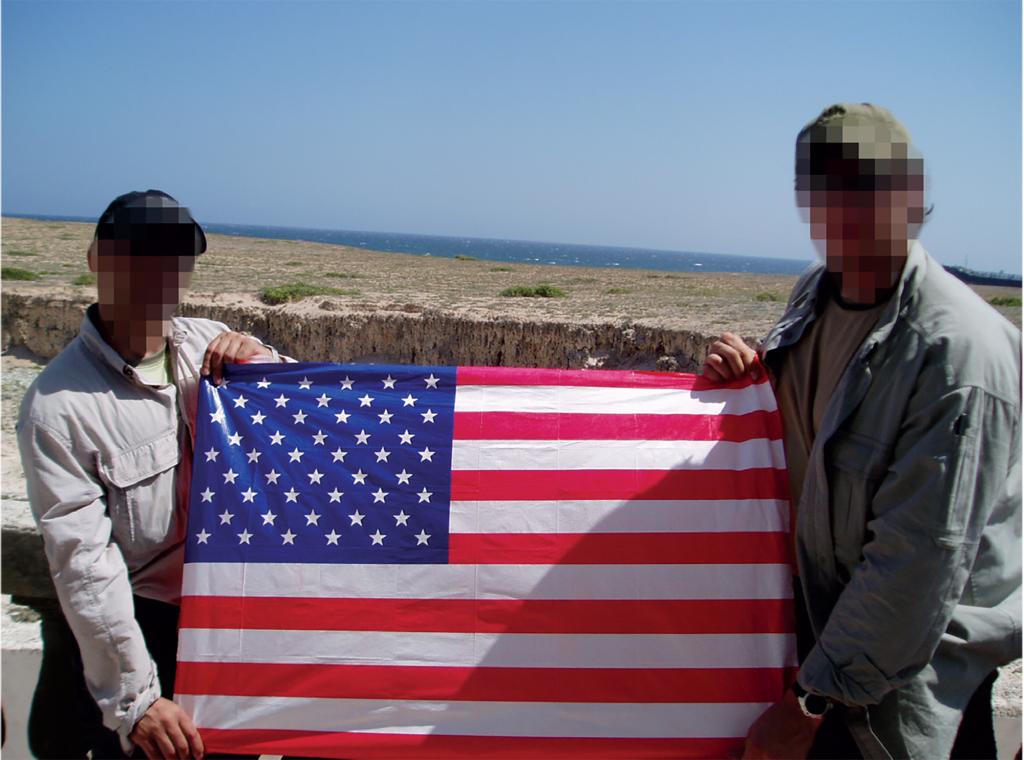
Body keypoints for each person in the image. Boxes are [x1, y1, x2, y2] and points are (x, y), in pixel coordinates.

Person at [704, 104, 1021, 759]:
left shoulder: (955, 353)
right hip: (819, 656)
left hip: (891, 705)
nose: (841, 209)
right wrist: (744, 382)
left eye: (864, 188)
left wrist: (809, 704)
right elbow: (801, 432)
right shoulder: (817, 296)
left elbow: (914, 570)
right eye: (824, 189)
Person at [17, 190, 290, 759]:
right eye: (137, 255)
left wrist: (258, 360)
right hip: (144, 629)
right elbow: (86, 565)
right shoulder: (59, 406)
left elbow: (302, 410)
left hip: (222, 618)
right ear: (97, 258)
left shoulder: (202, 346)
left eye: (173, 259)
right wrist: (136, 698)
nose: (157, 273)